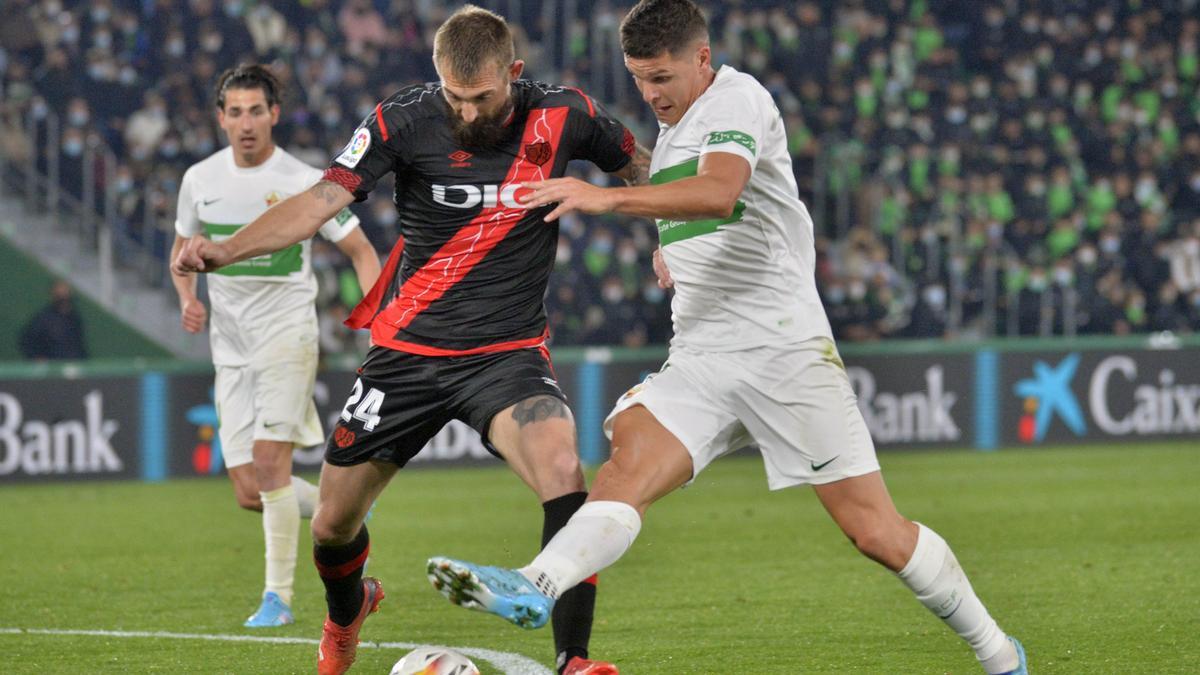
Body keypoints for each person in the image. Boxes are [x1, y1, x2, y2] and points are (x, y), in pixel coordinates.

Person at [426, 2, 1028, 674]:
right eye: (640, 79)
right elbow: (694, 209)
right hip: (703, 355)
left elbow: (719, 193)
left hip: (782, 349)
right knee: (628, 464)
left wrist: (607, 197)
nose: (652, 93)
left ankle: (999, 651)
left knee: (876, 532)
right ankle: (536, 583)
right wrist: (670, 250)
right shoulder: (674, 130)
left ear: (701, 59)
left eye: (662, 76)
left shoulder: (739, 99)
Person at [173, 6, 649, 674]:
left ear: (512, 73)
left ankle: (574, 659)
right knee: (332, 524)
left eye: (481, 97)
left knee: (565, 470)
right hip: (406, 355)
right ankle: (348, 612)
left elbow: (643, 170)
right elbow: (317, 203)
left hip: (504, 354)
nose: (466, 110)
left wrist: (668, 239)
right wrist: (223, 252)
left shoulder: (565, 115)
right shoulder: (401, 119)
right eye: (454, 95)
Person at [170, 64, 381, 629]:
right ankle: (348, 510)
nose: (245, 123)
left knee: (269, 465)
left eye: (255, 111)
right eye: (234, 112)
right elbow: (182, 249)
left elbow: (360, 249)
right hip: (230, 346)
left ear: (274, 115)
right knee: (249, 490)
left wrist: (378, 315)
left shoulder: (304, 180)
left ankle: (277, 599)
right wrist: (188, 296)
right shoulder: (200, 180)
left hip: (286, 334)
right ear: (220, 118)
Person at [18, 280, 88, 360]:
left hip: (74, 366)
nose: (64, 299)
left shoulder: (75, 318)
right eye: (60, 295)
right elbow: (26, 340)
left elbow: (78, 344)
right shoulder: (44, 318)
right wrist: (36, 357)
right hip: (53, 367)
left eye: (66, 295)